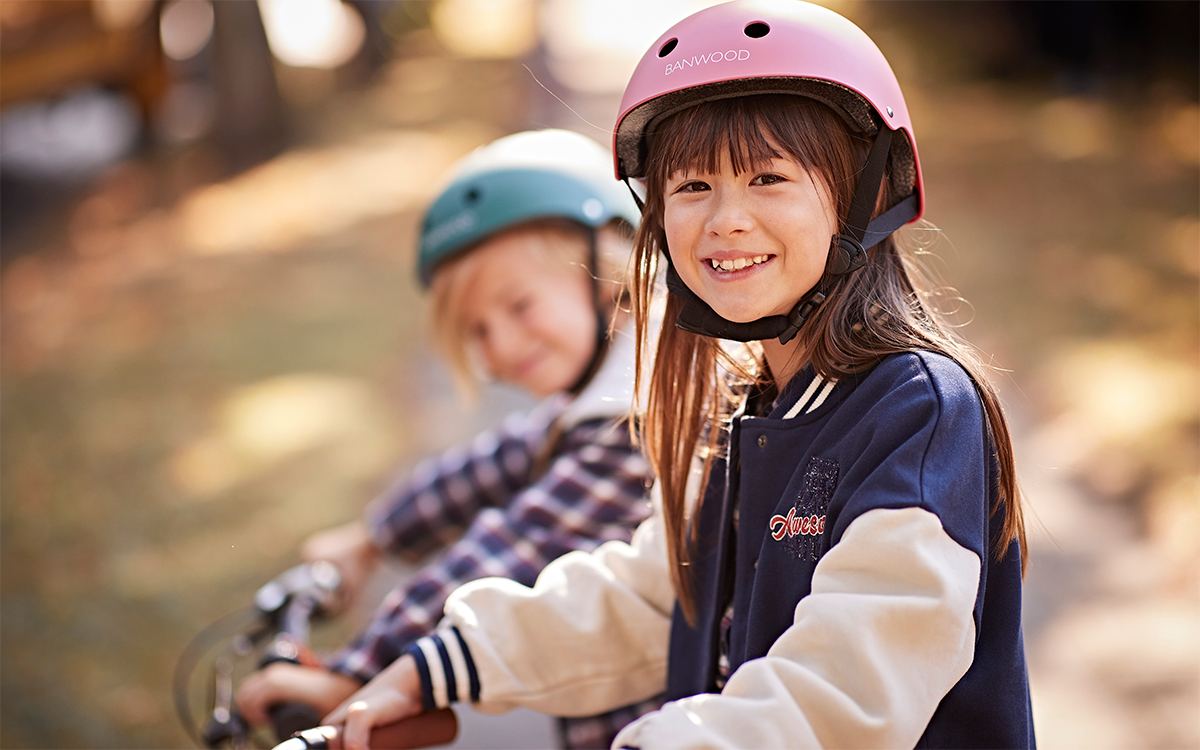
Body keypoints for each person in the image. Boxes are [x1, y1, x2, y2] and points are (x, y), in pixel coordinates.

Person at [323, 2, 1035, 749]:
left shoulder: (916, 414)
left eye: (767, 177)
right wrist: (431, 668)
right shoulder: (751, 411)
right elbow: (657, 598)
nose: (725, 218)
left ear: (866, 193)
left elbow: (842, 692)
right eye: (692, 187)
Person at [235, 129, 665, 750]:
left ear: (607, 267)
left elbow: (516, 547)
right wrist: (370, 538)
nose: (501, 346)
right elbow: (492, 463)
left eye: (519, 306)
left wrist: (361, 671)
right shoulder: (611, 379)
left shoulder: (635, 414)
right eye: (478, 330)